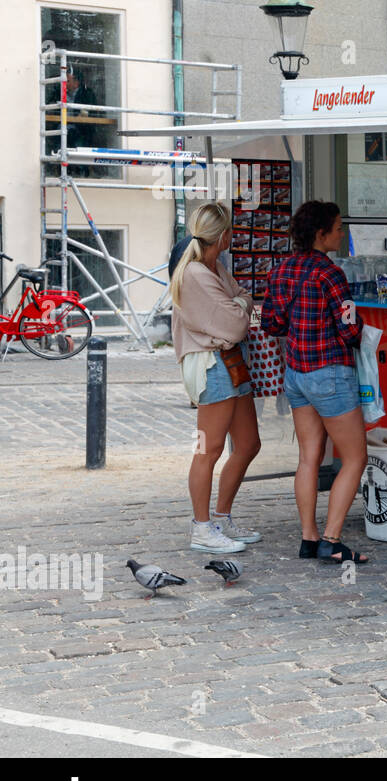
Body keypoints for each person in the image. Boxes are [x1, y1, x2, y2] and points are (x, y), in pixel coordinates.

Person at [261, 200, 370, 565]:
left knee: (308, 457)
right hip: (331, 375)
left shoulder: (280, 270)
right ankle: (332, 539)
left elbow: (271, 324)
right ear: (322, 233)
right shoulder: (331, 274)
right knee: (355, 457)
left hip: (297, 374)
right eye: (338, 228)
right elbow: (350, 329)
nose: (343, 233)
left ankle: (308, 537)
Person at [169, 202, 261, 554]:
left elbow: (240, 302)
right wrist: (238, 307)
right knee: (208, 449)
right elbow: (237, 322)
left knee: (248, 443)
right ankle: (202, 528)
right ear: (222, 235)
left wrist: (237, 305)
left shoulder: (214, 267)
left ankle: (219, 519)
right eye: (230, 230)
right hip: (212, 366)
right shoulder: (196, 274)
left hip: (229, 361)